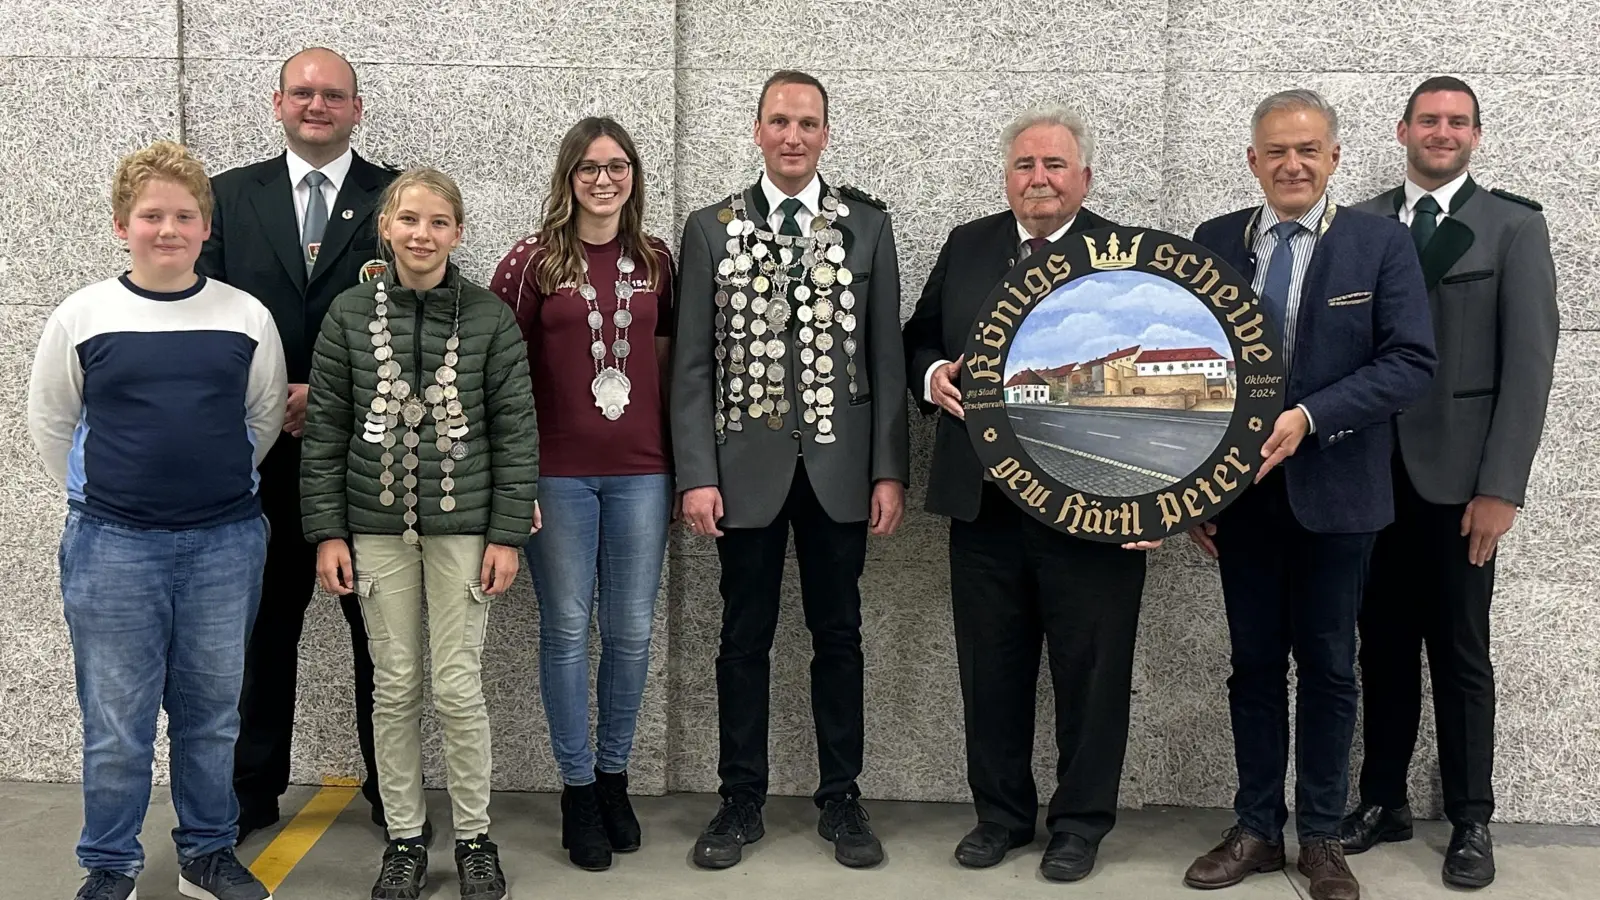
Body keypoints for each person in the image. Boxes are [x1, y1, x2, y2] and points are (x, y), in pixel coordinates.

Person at [1181, 89, 1436, 900]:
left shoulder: (1380, 245)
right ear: (1252, 161)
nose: (1292, 164)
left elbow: (1409, 364)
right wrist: (1191, 494)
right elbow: (1184, 367)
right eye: (1276, 151)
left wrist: (1309, 415)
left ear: (1333, 158)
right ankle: (1258, 828)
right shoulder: (1214, 242)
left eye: (1309, 150)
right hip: (1240, 503)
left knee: (1329, 668)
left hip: (1340, 496)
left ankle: (1321, 837)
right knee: (1253, 667)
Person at [900, 105, 1158, 882]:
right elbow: (921, 334)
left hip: (1094, 509)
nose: (1038, 179)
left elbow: (1162, 379)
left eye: (1053, 166)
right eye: (1024, 166)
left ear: (1085, 177)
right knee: (992, 670)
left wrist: (1160, 502)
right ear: (1006, 176)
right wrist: (933, 374)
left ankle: (1079, 824)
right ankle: (1002, 816)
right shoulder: (969, 245)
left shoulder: (1128, 257)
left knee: (1093, 672)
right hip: (985, 508)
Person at [28, 140, 284, 900]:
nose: (166, 228)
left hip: (224, 544)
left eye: (183, 215)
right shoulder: (83, 314)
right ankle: (110, 865)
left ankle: (207, 854)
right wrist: (106, 498)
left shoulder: (245, 315)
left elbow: (262, 416)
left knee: (212, 718)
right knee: (116, 724)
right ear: (121, 224)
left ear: (206, 228)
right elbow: (52, 421)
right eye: (150, 215)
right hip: (112, 549)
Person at [671, 69, 910, 870]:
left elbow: (885, 355)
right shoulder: (711, 229)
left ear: (826, 135)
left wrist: (890, 472)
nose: (793, 136)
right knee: (743, 638)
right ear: (757, 131)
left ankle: (841, 798)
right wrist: (696, 474)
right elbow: (694, 368)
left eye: (808, 123)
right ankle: (739, 798)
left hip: (841, 474)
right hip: (744, 473)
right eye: (780, 121)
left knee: (838, 634)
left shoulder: (867, 228)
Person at [1339, 76, 1558, 890]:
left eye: (1456, 121)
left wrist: (1502, 487)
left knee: (1461, 653)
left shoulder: (1513, 227)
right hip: (1368, 476)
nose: (1442, 132)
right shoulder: (1356, 224)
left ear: (1477, 134)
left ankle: (1471, 818)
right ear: (1402, 130)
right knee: (1380, 646)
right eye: (1428, 120)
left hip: (1461, 485)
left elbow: (1528, 370)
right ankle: (1382, 800)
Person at [301, 167, 537, 900]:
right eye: (409, 220)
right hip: (373, 529)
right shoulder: (346, 315)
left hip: (466, 530)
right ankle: (404, 836)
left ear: (458, 232)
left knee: (459, 688)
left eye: (438, 222)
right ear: (387, 228)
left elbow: (515, 432)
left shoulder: (491, 317)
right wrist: (326, 532)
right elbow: (327, 432)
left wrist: (506, 534)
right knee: (396, 686)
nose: (422, 235)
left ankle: (473, 836)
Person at [198, 46, 400, 840]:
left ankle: (396, 799)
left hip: (367, 458)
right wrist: (267, 397)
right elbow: (203, 315)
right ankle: (251, 794)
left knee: (379, 638)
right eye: (303, 93)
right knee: (263, 629)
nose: (318, 105)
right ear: (277, 102)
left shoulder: (395, 198)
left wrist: (332, 394)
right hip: (260, 454)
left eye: (334, 95)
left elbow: (413, 321)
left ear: (357, 108)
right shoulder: (226, 196)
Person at [489, 116, 675, 872]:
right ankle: (574, 788)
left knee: (630, 632)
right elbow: (497, 377)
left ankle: (613, 776)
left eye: (618, 166)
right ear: (568, 177)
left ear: (634, 175)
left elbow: (673, 365)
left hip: (643, 472)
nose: (604, 179)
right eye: (589, 167)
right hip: (555, 475)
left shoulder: (658, 260)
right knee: (567, 631)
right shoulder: (532, 261)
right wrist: (509, 479)